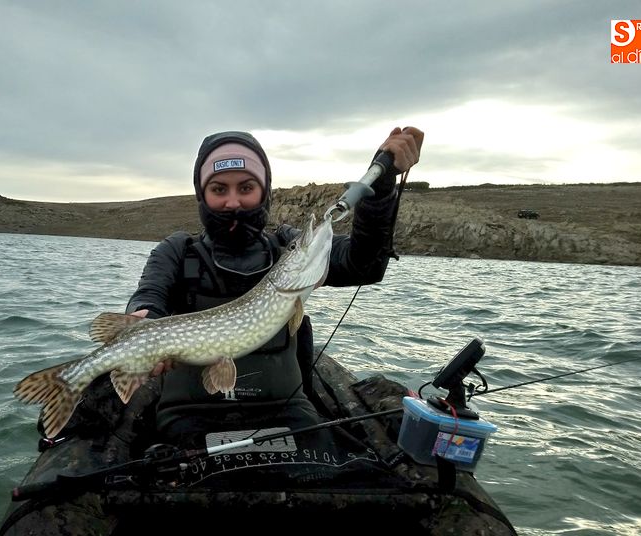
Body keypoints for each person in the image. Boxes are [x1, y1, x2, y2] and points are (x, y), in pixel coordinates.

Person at [125, 127, 424, 447]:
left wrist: (381, 188)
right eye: (218, 188)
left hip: (287, 414)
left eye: (246, 187)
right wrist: (143, 319)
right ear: (202, 193)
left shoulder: (284, 245)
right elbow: (149, 297)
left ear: (264, 190)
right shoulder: (178, 250)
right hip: (188, 414)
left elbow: (363, 264)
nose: (233, 201)